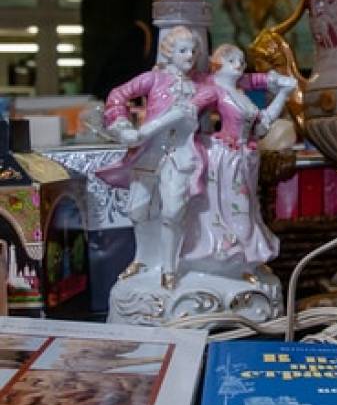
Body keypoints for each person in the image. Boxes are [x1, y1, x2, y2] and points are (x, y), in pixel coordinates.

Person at [98, 26, 205, 290]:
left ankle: (169, 267)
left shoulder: (199, 86)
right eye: (183, 50)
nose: (189, 55)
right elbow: (117, 96)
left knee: (173, 211)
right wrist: (122, 125)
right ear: (168, 53)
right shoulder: (154, 79)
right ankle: (143, 258)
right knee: (138, 209)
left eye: (193, 50)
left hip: (180, 155)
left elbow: (228, 90)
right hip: (149, 153)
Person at [183, 44, 294, 278]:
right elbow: (189, 110)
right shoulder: (215, 90)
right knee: (238, 207)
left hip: (246, 156)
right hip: (228, 157)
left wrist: (283, 94)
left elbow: (262, 126)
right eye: (232, 60)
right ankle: (238, 258)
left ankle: (247, 259)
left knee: (250, 207)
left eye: (241, 61)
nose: (239, 65)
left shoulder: (239, 92)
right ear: (217, 64)